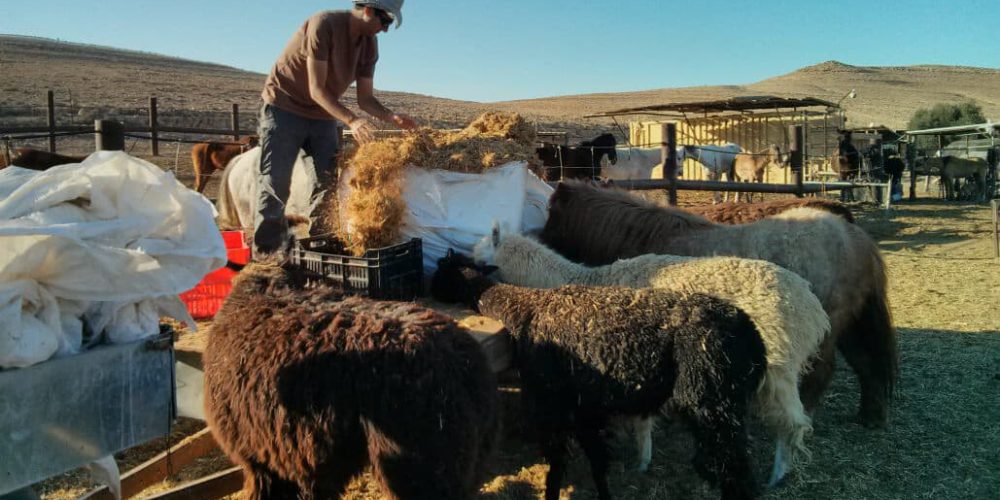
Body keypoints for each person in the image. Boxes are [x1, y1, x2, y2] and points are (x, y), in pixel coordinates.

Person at [254, 0, 418, 256]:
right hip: (285, 107)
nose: (385, 29)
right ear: (367, 9)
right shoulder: (324, 25)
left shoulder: (369, 46)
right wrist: (352, 121)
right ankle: (266, 255)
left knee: (327, 183)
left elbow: (365, 99)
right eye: (384, 21)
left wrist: (391, 116)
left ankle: (321, 249)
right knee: (276, 182)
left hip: (323, 115)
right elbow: (317, 90)